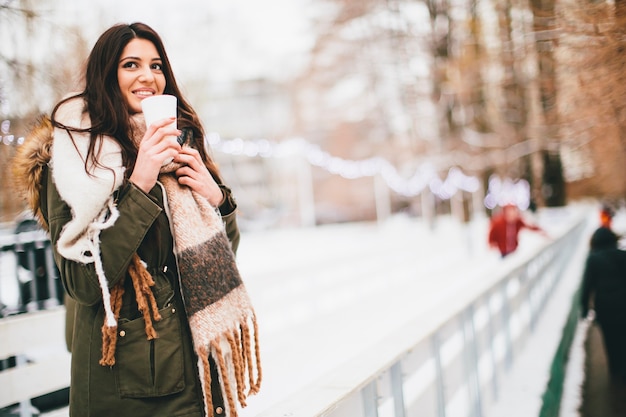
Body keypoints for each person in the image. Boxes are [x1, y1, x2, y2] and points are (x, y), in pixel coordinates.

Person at [12, 22, 261, 417]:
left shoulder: (181, 143)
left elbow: (220, 259)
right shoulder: (73, 159)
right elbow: (84, 285)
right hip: (129, 383)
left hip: (197, 367)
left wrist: (217, 200)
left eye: (157, 65)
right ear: (106, 76)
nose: (148, 76)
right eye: (131, 64)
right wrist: (140, 182)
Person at [580, 227, 626, 387]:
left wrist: (584, 308)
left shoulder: (593, 259)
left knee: (611, 339)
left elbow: (587, 286)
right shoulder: (623, 255)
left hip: (605, 308)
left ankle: (615, 370)